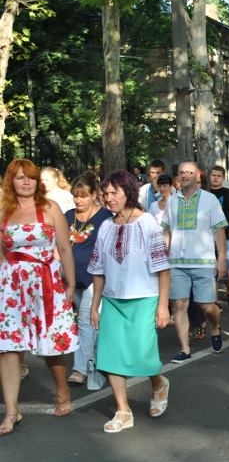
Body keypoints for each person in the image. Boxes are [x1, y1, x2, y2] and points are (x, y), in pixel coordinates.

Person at [87, 171, 171, 433]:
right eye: (105, 193)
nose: (108, 198)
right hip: (112, 300)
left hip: (145, 298)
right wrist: (94, 305)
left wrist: (162, 305)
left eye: (114, 193)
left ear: (128, 193)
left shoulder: (146, 222)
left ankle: (158, 383)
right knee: (110, 355)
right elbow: (99, 270)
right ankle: (123, 411)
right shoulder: (105, 226)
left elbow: (162, 268)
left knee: (143, 356)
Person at [0, 159, 78, 435]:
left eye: (30, 177)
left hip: (46, 282)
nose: (26, 182)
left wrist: (69, 285)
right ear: (12, 181)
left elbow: (65, 249)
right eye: (20, 178)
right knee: (8, 347)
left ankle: (61, 389)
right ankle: (12, 411)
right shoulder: (3, 211)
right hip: (11, 286)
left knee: (51, 343)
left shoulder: (49, 208)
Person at [161, 161, 228, 363]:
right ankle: (185, 349)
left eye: (189, 172)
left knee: (207, 306)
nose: (184, 176)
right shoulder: (172, 201)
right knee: (179, 305)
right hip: (177, 262)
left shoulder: (210, 200)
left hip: (204, 261)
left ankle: (215, 327)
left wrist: (222, 258)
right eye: (181, 172)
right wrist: (164, 254)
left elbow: (219, 230)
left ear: (198, 175)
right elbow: (167, 230)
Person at [65, 173, 113, 385]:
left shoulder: (104, 217)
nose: (78, 200)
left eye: (83, 196)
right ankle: (100, 359)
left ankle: (80, 368)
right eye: (76, 196)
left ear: (94, 195)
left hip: (96, 278)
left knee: (85, 319)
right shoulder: (68, 216)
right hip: (70, 278)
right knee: (84, 323)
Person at [208, 165, 229, 311]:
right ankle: (214, 300)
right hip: (208, 239)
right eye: (213, 175)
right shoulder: (204, 194)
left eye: (218, 176)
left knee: (228, 271)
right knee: (211, 271)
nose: (215, 178)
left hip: (226, 237)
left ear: (223, 178)